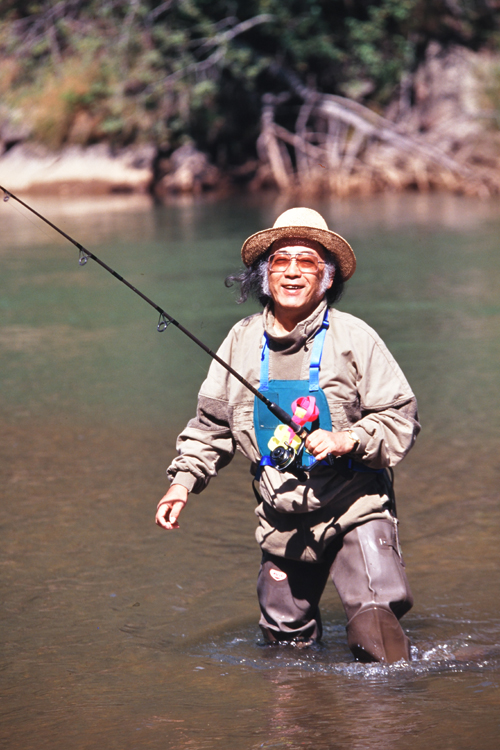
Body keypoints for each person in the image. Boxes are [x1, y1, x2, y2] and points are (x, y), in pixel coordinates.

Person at [155, 207, 420, 663]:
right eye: (281, 261)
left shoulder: (354, 337)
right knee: (284, 651)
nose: (293, 272)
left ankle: (389, 720)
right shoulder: (239, 341)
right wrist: (181, 483)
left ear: (328, 277)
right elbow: (211, 425)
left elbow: (401, 418)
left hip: (354, 507)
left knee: (375, 633)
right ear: (265, 274)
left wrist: (347, 439)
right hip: (280, 517)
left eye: (307, 261)